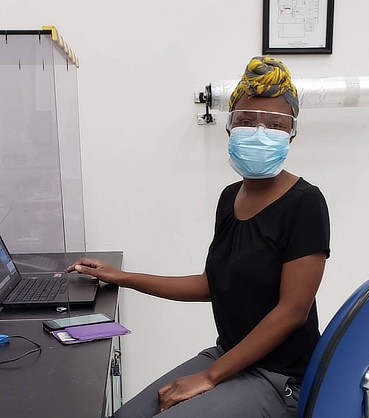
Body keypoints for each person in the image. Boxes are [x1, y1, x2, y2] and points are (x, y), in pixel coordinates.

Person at [68, 56, 330, 418]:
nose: (259, 133)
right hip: (231, 356)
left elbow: (292, 313)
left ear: (292, 133)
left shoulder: (305, 203)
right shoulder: (230, 198)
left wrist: (208, 377)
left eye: (275, 125)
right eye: (246, 121)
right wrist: (123, 277)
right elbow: (213, 284)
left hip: (280, 378)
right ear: (229, 127)